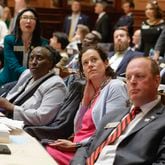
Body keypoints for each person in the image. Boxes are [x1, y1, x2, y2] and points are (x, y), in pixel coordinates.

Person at [71, 56, 165, 165]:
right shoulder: (113, 115)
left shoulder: (162, 121)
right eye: (128, 77)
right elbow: (86, 148)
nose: (132, 81)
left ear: (157, 80)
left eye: (139, 76)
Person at [46, 45, 130, 164]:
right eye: (85, 63)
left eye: (94, 60)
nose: (90, 64)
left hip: (91, 151)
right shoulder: (91, 90)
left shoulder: (115, 86)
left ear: (106, 63)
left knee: (45, 153)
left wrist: (77, 145)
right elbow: (79, 128)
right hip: (78, 147)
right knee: (40, 147)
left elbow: (110, 132)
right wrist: (85, 102)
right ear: (83, 70)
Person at [0, 45, 67, 126]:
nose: (33, 62)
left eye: (39, 58)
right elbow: (13, 95)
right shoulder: (27, 73)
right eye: (31, 58)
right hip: (7, 118)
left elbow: (43, 118)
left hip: (27, 128)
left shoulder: (57, 85)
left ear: (51, 63)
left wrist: (11, 107)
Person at [0, 8, 48, 86]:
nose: (28, 21)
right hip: (8, 82)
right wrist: (33, 73)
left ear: (36, 23)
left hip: (32, 83)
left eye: (32, 18)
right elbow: (13, 66)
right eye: (25, 17)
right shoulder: (9, 40)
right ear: (18, 22)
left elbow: (43, 64)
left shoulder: (42, 43)